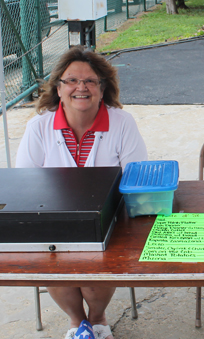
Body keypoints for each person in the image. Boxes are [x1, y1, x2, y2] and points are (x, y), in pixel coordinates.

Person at [16, 46, 148, 339]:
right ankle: (77, 322)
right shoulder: (39, 127)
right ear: (58, 88)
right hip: (53, 220)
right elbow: (24, 183)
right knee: (52, 260)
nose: (81, 87)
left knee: (98, 262)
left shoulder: (121, 123)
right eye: (72, 80)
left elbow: (137, 176)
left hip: (108, 219)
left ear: (103, 88)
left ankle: (98, 318)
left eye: (90, 81)